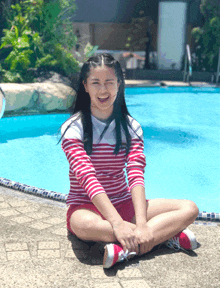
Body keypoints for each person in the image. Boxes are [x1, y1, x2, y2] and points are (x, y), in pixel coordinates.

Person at [60, 53, 199, 269]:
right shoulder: (73, 127)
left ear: (119, 84)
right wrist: (116, 223)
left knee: (189, 208)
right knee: (83, 225)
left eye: (109, 82)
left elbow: (135, 174)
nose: (103, 90)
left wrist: (142, 224)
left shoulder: (131, 127)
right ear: (85, 86)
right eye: (96, 83)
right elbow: (87, 178)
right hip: (87, 206)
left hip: (124, 203)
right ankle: (162, 237)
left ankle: (126, 248)